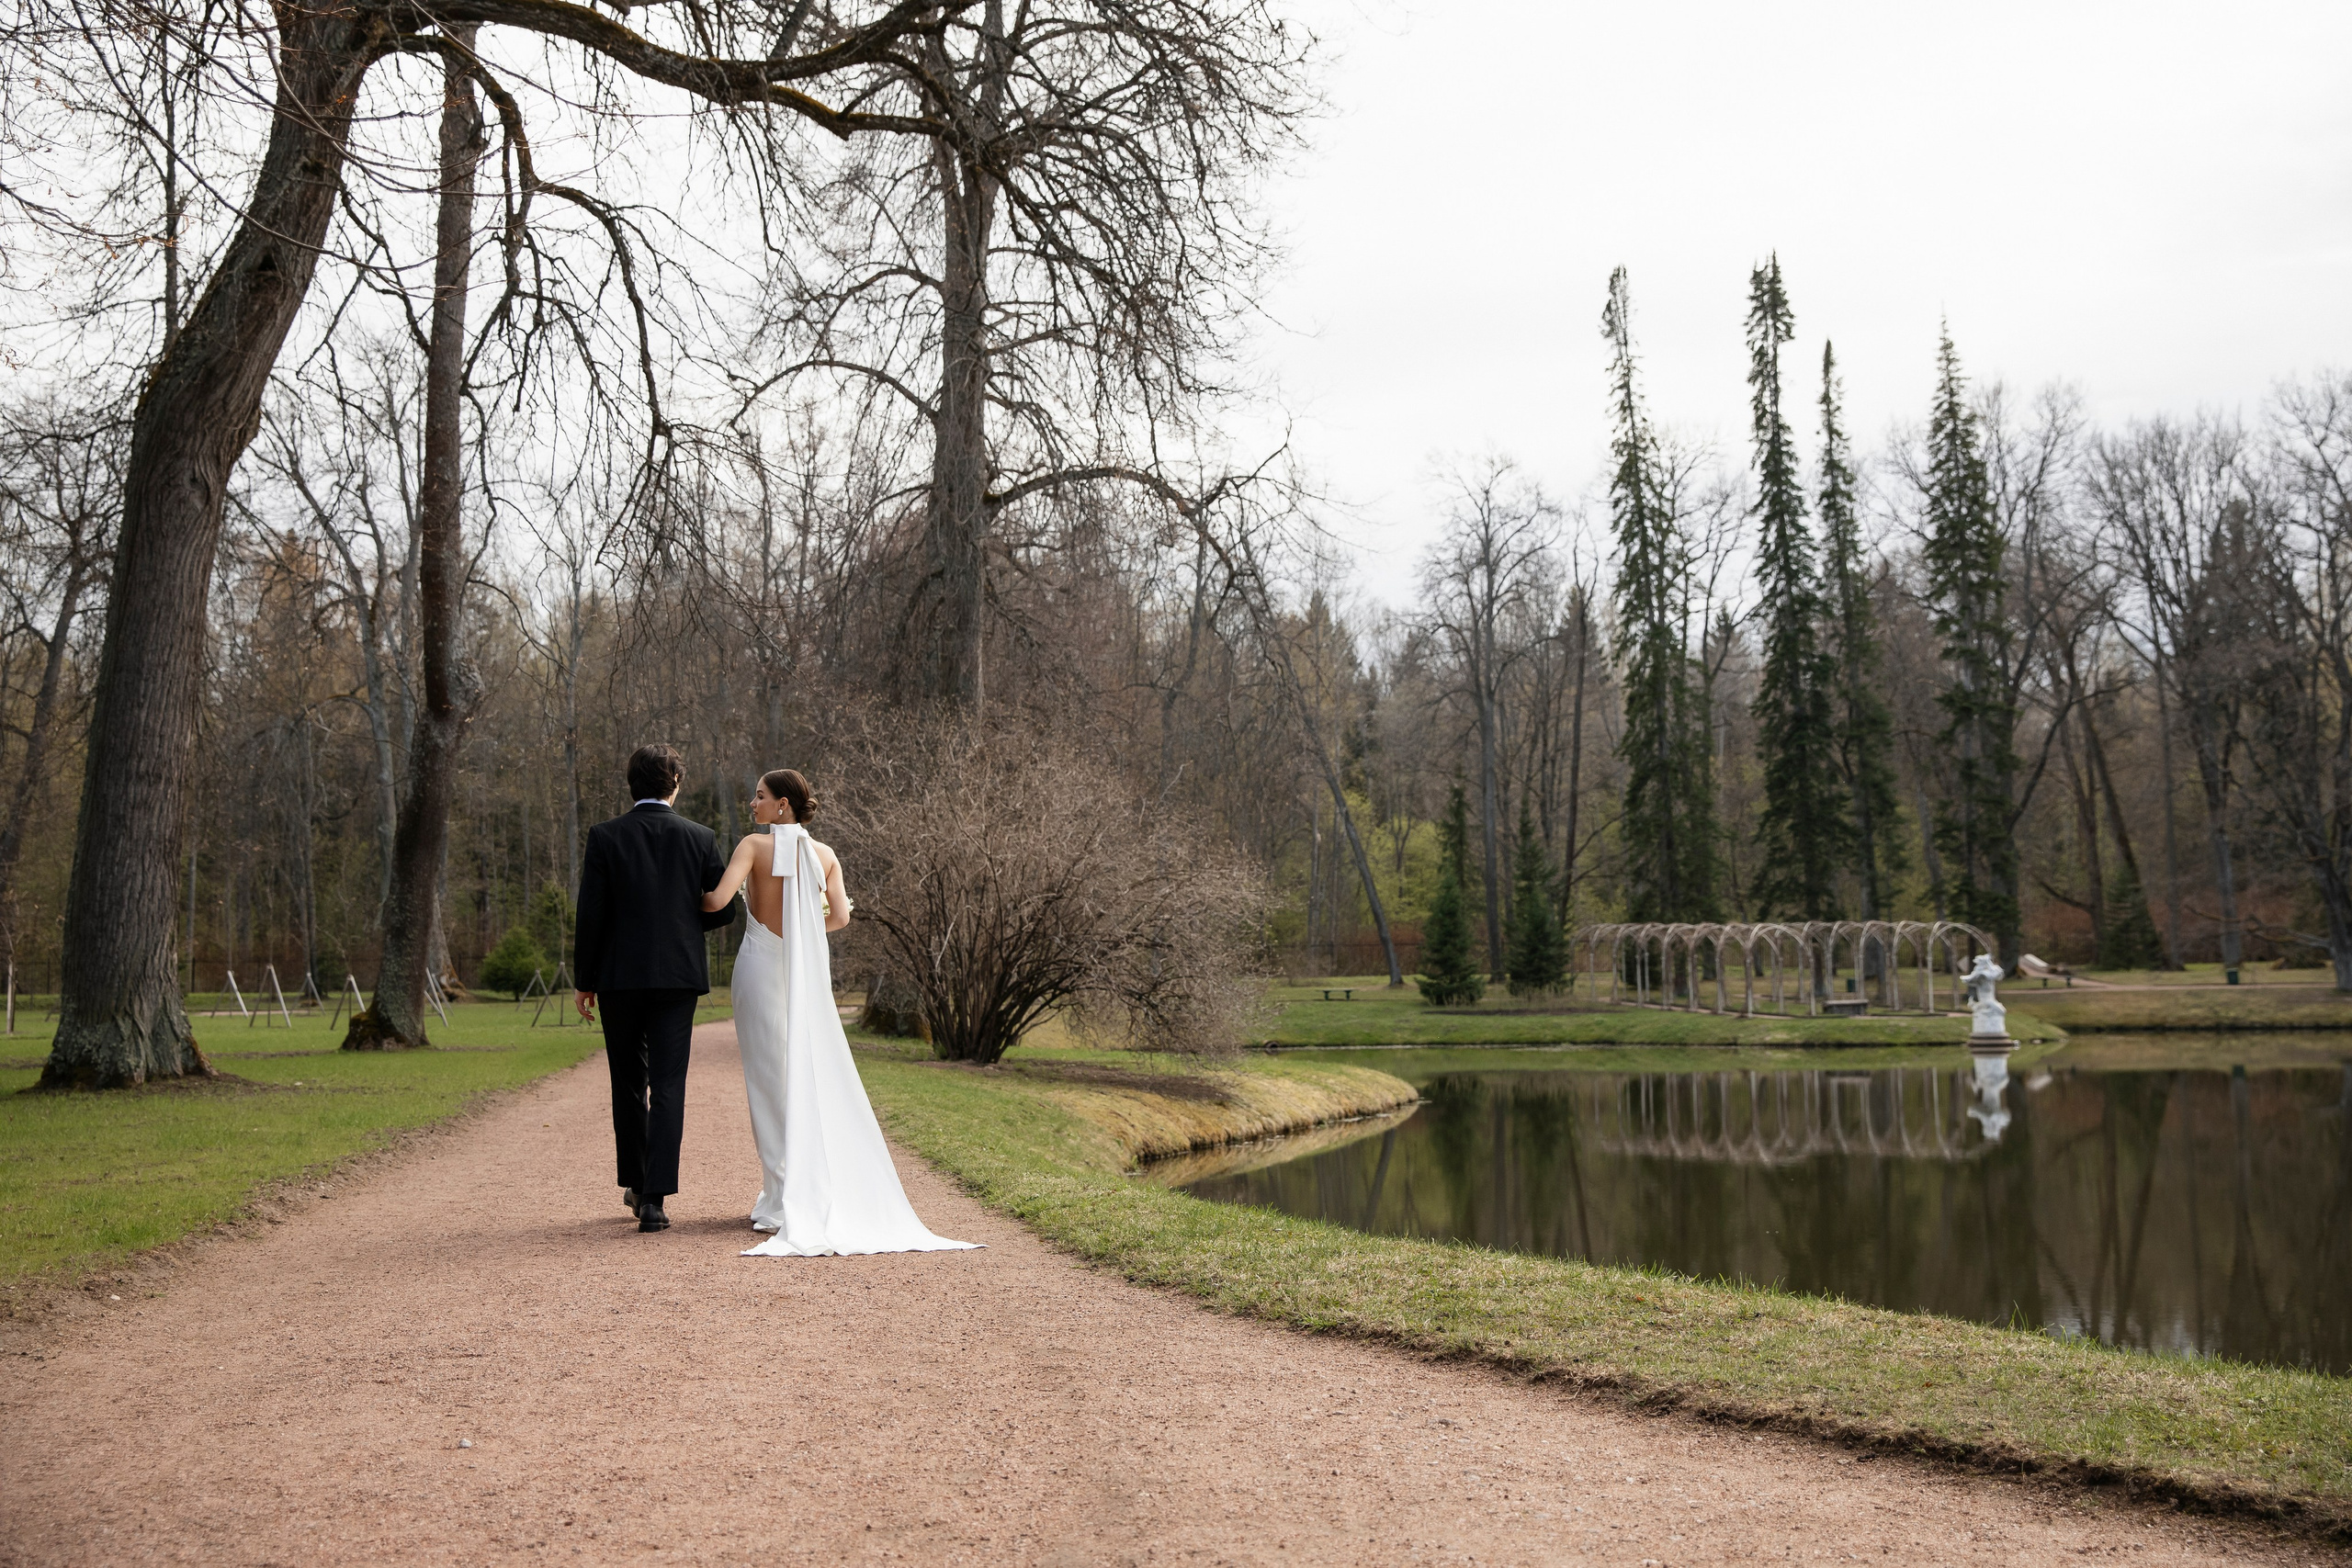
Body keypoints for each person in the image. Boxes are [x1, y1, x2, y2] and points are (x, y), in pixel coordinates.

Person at [702, 768, 978, 1256]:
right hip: (804, 971)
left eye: (760, 796)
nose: (752, 802)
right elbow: (842, 917)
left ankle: (782, 1196)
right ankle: (802, 1189)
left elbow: (716, 901)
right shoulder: (825, 855)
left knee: (767, 1079)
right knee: (802, 1072)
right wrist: (804, 935)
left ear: (782, 805)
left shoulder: (752, 846)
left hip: (760, 967)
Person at [573, 743, 740, 1233]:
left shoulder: (605, 836)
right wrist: (683, 928)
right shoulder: (699, 837)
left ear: (632, 784)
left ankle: (637, 1180)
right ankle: (656, 1199)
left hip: (619, 977)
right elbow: (724, 907)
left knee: (627, 1082)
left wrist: (585, 980)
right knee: (668, 1083)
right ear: (676, 784)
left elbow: (592, 914)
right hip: (678, 977)